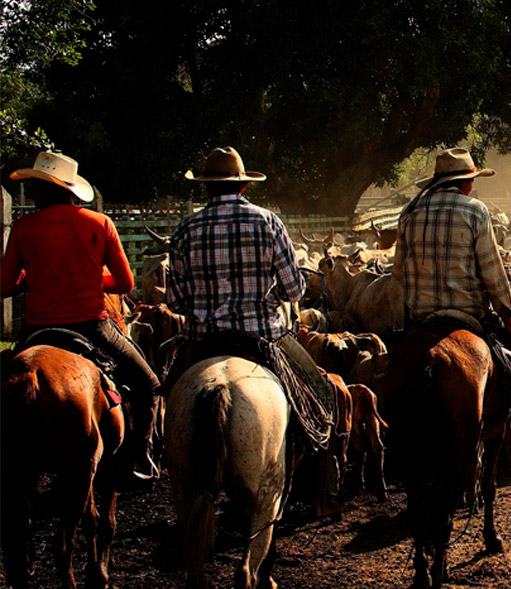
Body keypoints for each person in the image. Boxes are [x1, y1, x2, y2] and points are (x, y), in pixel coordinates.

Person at [1, 151, 161, 479]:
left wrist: (33, 278)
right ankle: (137, 458)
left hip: (37, 328)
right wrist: (88, 278)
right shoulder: (99, 223)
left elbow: (4, 286)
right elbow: (124, 283)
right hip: (91, 326)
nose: (32, 191)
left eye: (37, 184)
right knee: (148, 383)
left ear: (51, 188)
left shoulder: (23, 227)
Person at [165, 146, 335, 443]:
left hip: (202, 339)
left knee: (163, 394)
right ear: (243, 186)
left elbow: (175, 302)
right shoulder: (268, 222)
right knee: (320, 394)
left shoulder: (185, 230)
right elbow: (294, 290)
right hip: (263, 335)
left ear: (206, 187)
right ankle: (321, 457)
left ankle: (151, 447)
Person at [395, 147, 511, 409]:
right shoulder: (475, 211)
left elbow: (398, 274)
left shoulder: (409, 212)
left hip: (420, 318)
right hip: (469, 316)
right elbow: (492, 272)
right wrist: (509, 319)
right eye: (471, 180)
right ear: (465, 183)